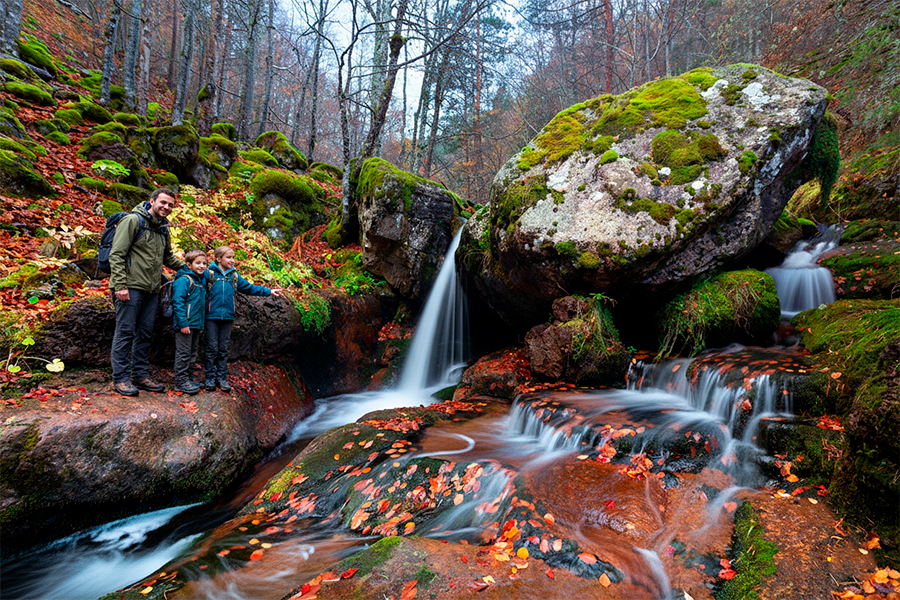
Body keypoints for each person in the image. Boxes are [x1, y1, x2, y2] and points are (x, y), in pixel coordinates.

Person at [109, 189, 185, 396]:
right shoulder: (133, 221)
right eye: (163, 202)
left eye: (170, 205)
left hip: (152, 289)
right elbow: (116, 255)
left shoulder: (162, 229)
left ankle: (140, 376)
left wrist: (192, 268)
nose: (166, 207)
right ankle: (121, 378)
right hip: (130, 287)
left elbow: (168, 258)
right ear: (152, 201)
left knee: (144, 333)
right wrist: (120, 285)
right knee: (125, 332)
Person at [205, 246, 284, 392]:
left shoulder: (233, 276)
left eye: (233, 257)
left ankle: (221, 378)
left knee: (223, 348)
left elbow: (249, 288)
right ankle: (210, 377)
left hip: (227, 316)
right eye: (228, 257)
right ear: (218, 259)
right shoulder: (208, 274)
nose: (232, 260)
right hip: (211, 316)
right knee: (211, 348)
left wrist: (268, 291)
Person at [171, 249, 208, 395]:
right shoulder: (184, 280)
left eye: (204, 263)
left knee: (192, 352)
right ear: (188, 264)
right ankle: (180, 382)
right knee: (184, 353)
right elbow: (177, 302)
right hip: (185, 324)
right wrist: (183, 323)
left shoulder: (200, 280)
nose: (201, 266)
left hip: (196, 323)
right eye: (197, 263)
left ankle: (189, 378)